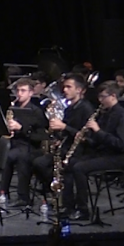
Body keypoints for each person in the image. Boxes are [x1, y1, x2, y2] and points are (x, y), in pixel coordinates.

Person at [59, 81, 124, 221]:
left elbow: (121, 144)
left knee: (79, 168)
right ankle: (68, 206)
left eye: (102, 97)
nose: (100, 101)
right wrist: (85, 139)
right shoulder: (105, 113)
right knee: (69, 164)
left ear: (113, 96)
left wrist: (98, 131)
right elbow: (98, 140)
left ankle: (83, 210)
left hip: (116, 157)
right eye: (99, 97)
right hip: (102, 153)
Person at [27, 74, 96, 209]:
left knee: (67, 169)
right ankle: (55, 193)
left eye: (69, 87)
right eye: (64, 87)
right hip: (67, 147)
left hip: (81, 151)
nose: (64, 90)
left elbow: (87, 136)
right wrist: (59, 137)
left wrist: (64, 127)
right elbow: (68, 131)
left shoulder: (86, 108)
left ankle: (69, 204)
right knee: (38, 163)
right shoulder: (70, 108)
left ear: (79, 90)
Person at [0, 77, 49, 208]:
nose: (19, 93)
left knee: (19, 157)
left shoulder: (36, 111)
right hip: (16, 145)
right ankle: (3, 192)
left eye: (23, 90)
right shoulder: (13, 107)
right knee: (5, 155)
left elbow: (40, 135)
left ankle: (23, 196)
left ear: (31, 93)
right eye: (18, 90)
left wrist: (21, 128)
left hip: (31, 147)